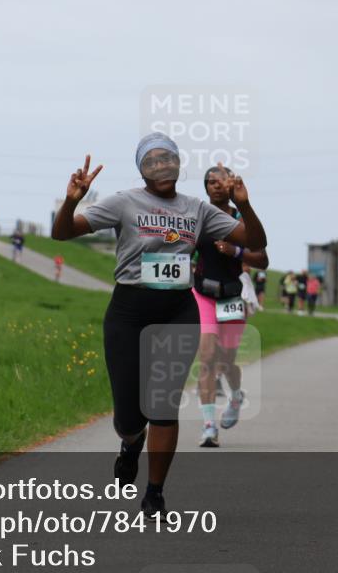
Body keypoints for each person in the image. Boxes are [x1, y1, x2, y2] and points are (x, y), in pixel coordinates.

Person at [51, 133, 267, 518]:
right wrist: (72, 200)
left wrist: (244, 206)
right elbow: (62, 232)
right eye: (152, 161)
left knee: (163, 406)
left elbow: (253, 240)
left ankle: (155, 493)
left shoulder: (197, 210)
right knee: (128, 417)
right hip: (129, 312)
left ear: (179, 165)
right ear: (142, 169)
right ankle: (131, 444)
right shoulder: (124, 202)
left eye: (168, 159)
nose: (162, 166)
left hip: (176, 312)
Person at [192, 166, 269, 447]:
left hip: (232, 297)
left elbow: (262, 260)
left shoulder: (240, 219)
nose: (215, 185)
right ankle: (209, 425)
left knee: (225, 362)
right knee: (207, 357)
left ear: (231, 185)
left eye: (220, 181)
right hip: (203, 295)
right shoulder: (198, 216)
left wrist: (236, 251)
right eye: (209, 182)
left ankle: (236, 396)